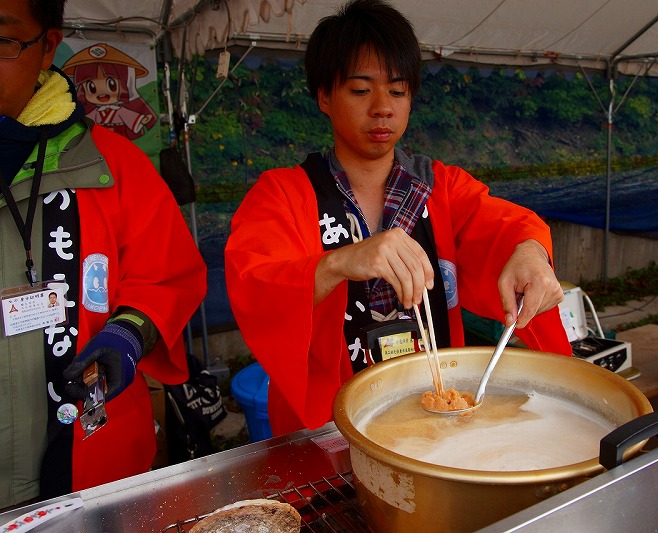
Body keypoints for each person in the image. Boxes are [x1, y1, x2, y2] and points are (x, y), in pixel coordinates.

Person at [225, 0, 571, 437]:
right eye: (359, 90)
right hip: (327, 427)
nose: (382, 107)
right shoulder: (282, 195)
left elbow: (509, 227)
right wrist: (339, 262)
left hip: (439, 416)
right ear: (324, 97)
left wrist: (531, 254)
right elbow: (255, 285)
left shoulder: (441, 188)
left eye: (398, 90)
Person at [0, 0, 207, 510]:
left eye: (2, 41)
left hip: (92, 465)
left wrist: (128, 334)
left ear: (48, 45)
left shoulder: (115, 165)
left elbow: (168, 275)